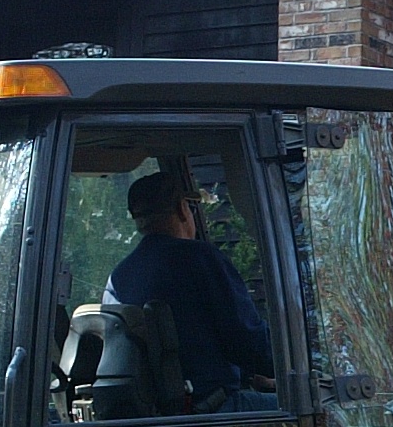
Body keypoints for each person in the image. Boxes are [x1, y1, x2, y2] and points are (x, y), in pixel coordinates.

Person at [105, 172, 278, 411]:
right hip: (209, 409)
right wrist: (290, 363)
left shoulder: (119, 277)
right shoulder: (199, 259)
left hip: (158, 412)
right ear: (182, 209)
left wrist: (250, 376)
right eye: (191, 207)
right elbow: (246, 340)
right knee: (321, 411)